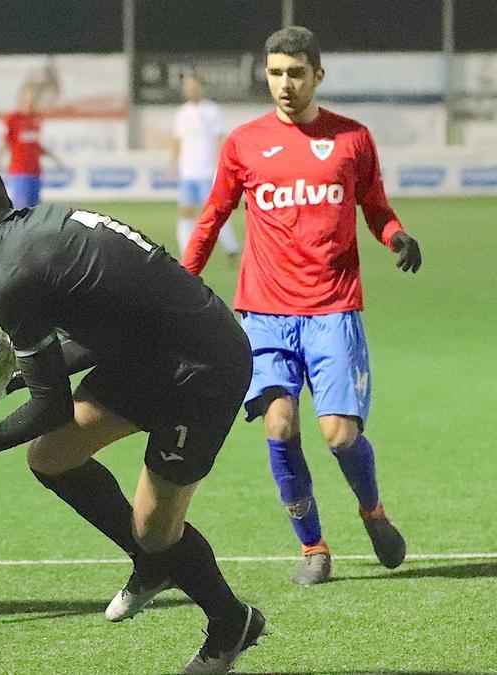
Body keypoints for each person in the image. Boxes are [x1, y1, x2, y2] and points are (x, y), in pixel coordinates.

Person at [0, 151, 265, 674]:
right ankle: (151, 565)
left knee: (155, 530)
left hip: (200, 369)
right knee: (53, 457)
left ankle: (231, 623)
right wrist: (15, 375)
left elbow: (50, 407)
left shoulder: (13, 276)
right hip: (150, 351)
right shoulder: (42, 227)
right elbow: (100, 338)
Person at [181, 26, 421, 586]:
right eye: (274, 73)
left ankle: (373, 511)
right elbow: (213, 216)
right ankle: (314, 548)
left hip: (334, 309)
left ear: (318, 75)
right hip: (264, 313)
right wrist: (182, 282)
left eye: (294, 73)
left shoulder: (353, 139)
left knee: (339, 434)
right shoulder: (243, 142)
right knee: (280, 426)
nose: (284, 84)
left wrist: (396, 236)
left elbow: (376, 207)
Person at [171, 73, 241, 261]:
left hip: (207, 171)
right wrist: (173, 162)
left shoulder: (212, 111)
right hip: (188, 172)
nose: (189, 91)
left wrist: (223, 164)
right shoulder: (182, 113)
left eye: (193, 87)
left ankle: (231, 246)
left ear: (200, 88)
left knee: (214, 212)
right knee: (186, 210)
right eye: (187, 88)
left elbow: (220, 139)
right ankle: (187, 250)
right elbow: (177, 140)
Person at [0, 78, 61, 210]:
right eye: (28, 98)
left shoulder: (36, 118)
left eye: (33, 98)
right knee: (21, 207)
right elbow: (5, 141)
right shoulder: (13, 118)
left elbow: (35, 145)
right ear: (22, 99)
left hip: (35, 171)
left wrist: (53, 157)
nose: (31, 101)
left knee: (35, 208)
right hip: (20, 170)